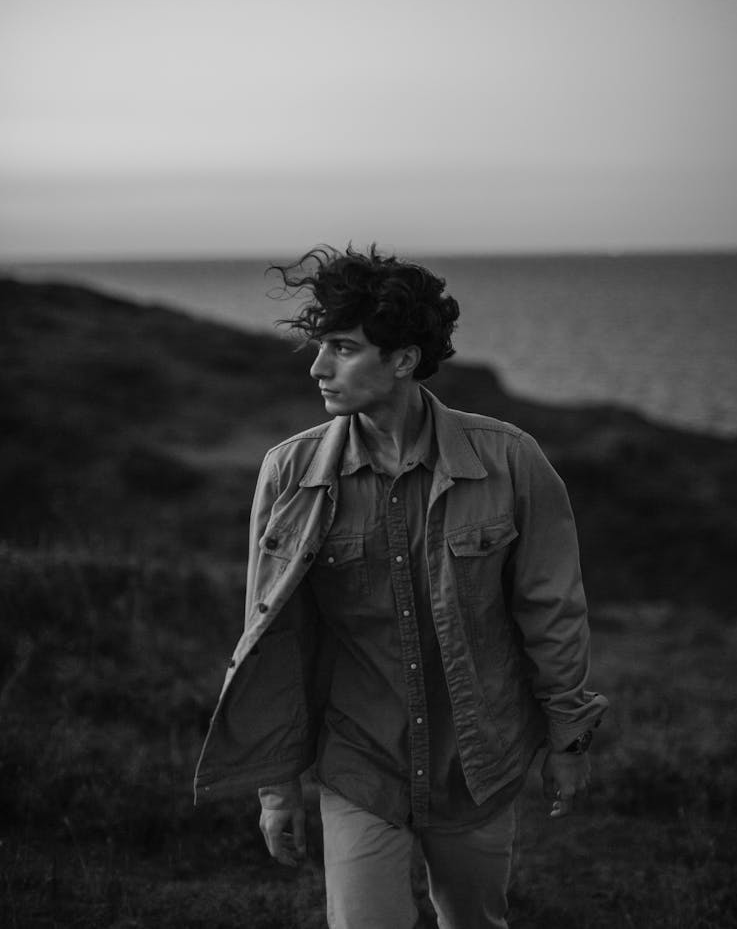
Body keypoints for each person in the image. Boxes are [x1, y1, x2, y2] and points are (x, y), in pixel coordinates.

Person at [195, 244, 608, 929]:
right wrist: (276, 788)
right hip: (358, 764)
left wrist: (569, 743)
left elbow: (552, 611)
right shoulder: (289, 474)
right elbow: (270, 635)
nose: (318, 366)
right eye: (319, 345)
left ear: (404, 359)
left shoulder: (511, 461)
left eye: (343, 347)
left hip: (478, 765)